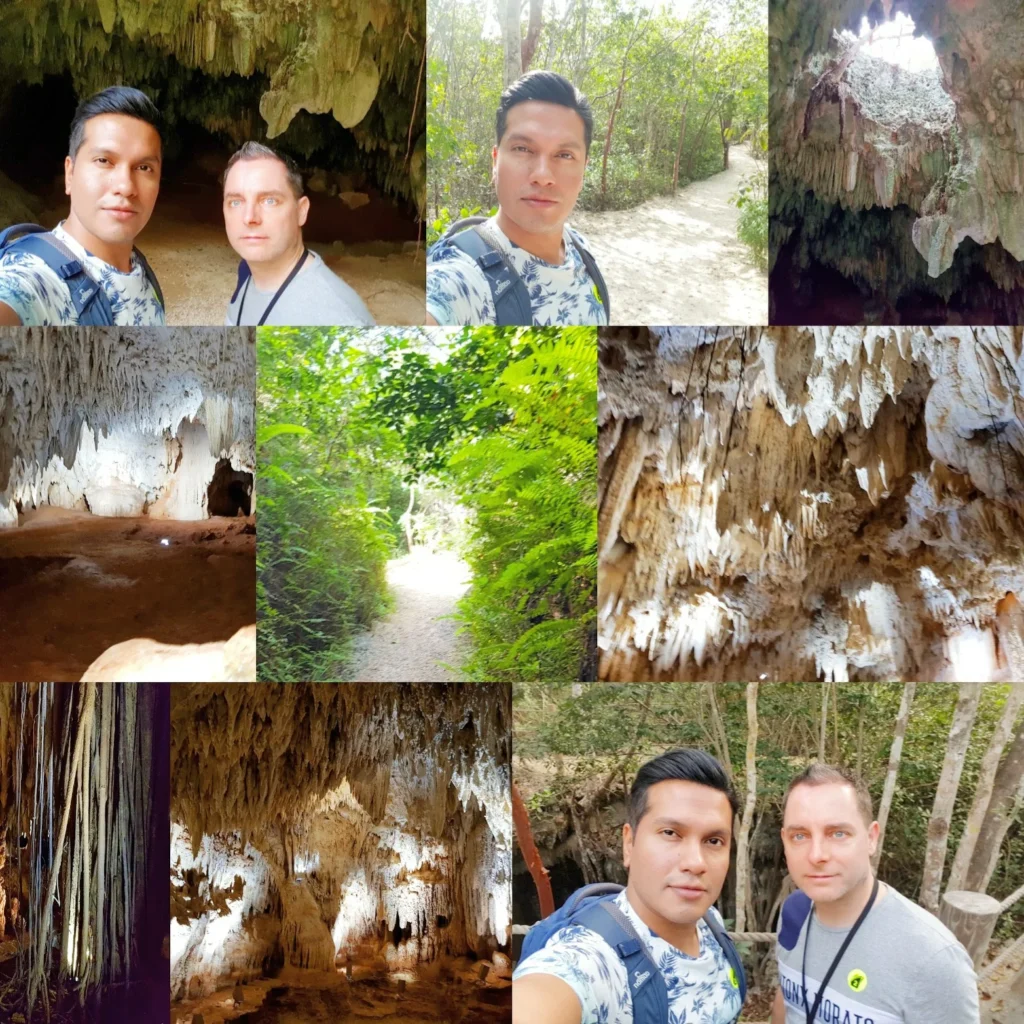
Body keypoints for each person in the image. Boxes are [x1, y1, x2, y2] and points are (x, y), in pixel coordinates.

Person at [513, 749, 745, 1024]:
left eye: (714, 841)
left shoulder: (710, 922)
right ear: (629, 843)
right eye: (670, 833)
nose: (695, 863)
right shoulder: (592, 962)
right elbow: (541, 998)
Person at [772, 764, 980, 1024]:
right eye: (800, 836)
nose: (816, 855)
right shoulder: (794, 912)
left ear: (871, 838)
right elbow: (788, 999)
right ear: (785, 841)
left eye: (838, 833)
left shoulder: (932, 959)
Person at [426, 70, 609, 327]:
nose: (543, 176)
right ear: (495, 161)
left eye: (565, 155)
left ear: (584, 168)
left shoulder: (580, 248)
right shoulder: (463, 279)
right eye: (523, 149)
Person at [0, 86, 165, 326]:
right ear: (70, 173)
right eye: (104, 161)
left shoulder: (140, 268)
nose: (126, 186)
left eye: (144, 167)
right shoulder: (35, 279)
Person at [222, 142, 375, 326]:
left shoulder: (339, 321)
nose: (249, 217)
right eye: (236, 202)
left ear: (301, 211)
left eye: (270, 201)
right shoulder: (247, 271)